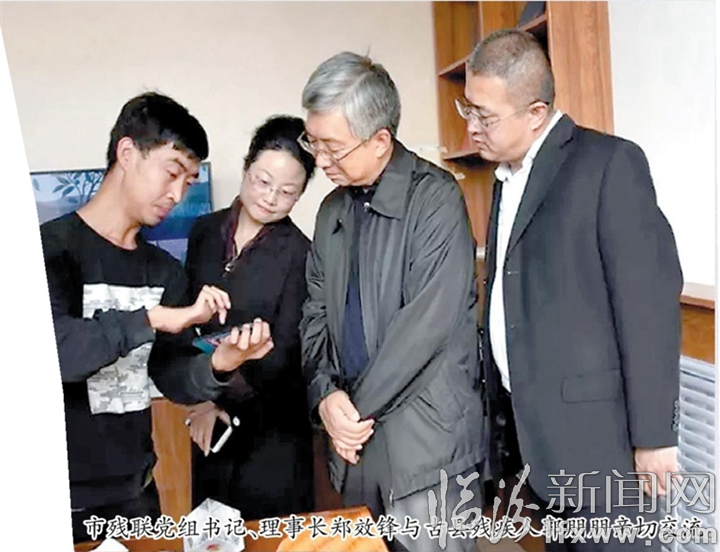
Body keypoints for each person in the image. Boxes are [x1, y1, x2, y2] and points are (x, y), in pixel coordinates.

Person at [460, 29, 683, 550]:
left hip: (604, 447)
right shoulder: (506, 177)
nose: (471, 127)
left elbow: (648, 307)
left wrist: (655, 438)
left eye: (484, 116)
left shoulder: (608, 165)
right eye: (467, 109)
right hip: (542, 444)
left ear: (536, 113)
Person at [39, 92, 273, 543]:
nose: (178, 194)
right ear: (127, 153)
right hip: (59, 499)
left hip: (138, 493)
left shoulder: (163, 271)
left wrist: (221, 363)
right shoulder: (51, 249)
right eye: (171, 172)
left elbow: (171, 373)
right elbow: (56, 352)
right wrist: (149, 319)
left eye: (189, 181)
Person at [298, 52, 486, 552]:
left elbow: (423, 331)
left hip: (425, 450)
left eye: (333, 147)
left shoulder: (435, 200)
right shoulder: (331, 212)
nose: (321, 161)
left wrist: (348, 417)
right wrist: (324, 396)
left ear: (380, 141)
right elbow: (314, 315)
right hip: (356, 445)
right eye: (313, 142)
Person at [183, 115, 316, 520]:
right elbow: (186, 322)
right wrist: (203, 400)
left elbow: (285, 352)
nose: (271, 198)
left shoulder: (302, 253)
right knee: (212, 534)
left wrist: (220, 383)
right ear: (245, 168)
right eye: (262, 181)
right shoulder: (204, 232)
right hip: (209, 424)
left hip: (273, 430)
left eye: (287, 192)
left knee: (271, 534)